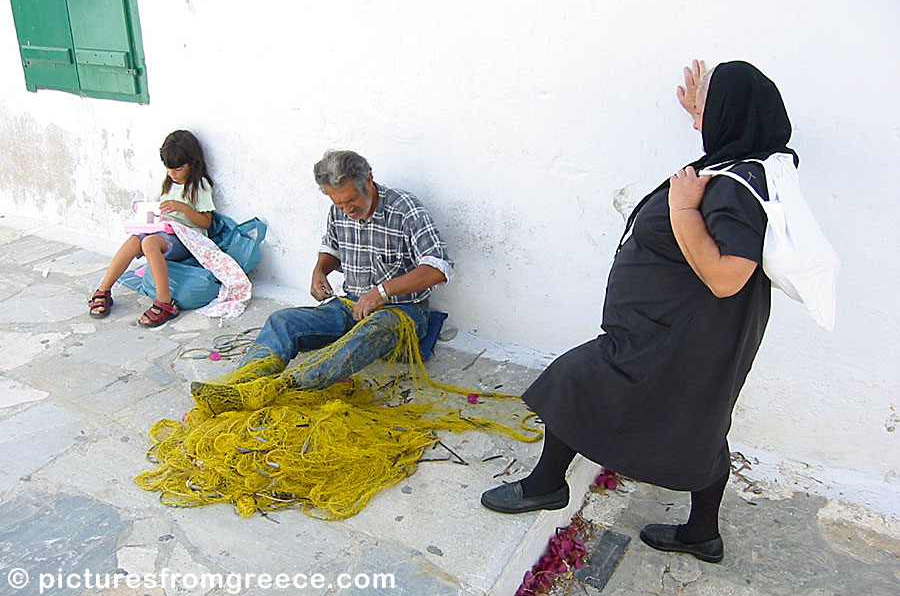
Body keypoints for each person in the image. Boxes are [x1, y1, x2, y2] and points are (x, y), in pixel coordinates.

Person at [481, 60, 796, 564]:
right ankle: (701, 534)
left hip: (673, 335)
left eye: (709, 111)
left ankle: (545, 484)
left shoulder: (737, 185)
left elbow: (727, 275)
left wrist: (683, 209)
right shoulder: (748, 164)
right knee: (703, 421)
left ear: (732, 115)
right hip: (679, 329)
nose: (698, 121)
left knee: (574, 378)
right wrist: (703, 113)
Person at [191, 149, 453, 397]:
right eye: (338, 203)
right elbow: (332, 250)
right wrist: (320, 271)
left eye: (352, 200)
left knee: (373, 330)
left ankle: (285, 388)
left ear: (369, 181)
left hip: (403, 311)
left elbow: (439, 267)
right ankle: (242, 384)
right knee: (282, 322)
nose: (347, 210)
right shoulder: (338, 212)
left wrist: (382, 292)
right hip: (351, 304)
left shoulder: (406, 209)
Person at [88, 130, 216, 327]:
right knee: (134, 240)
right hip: (164, 232)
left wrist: (182, 207)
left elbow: (206, 222)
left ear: (193, 163)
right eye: (168, 168)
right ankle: (104, 289)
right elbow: (158, 210)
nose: (172, 173)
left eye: (178, 169)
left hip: (186, 239)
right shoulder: (167, 185)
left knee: (149, 242)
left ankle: (165, 302)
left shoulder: (199, 186)